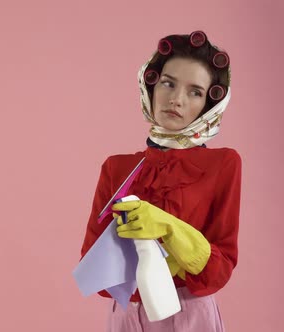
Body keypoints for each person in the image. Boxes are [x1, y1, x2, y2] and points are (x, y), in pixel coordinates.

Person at [80, 31, 241, 332]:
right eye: (168, 83)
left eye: (195, 92)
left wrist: (168, 227)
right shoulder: (117, 168)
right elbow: (96, 274)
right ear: (150, 86)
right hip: (127, 316)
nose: (176, 100)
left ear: (209, 104)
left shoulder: (224, 163)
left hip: (192, 315)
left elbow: (219, 271)